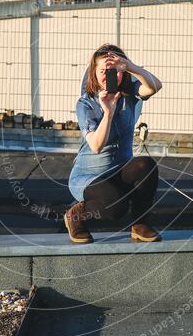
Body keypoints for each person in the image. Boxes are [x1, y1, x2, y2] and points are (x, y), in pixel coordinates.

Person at [65, 44, 164, 244]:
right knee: (115, 209)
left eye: (115, 71)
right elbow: (96, 146)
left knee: (146, 165)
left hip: (120, 170)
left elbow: (155, 86)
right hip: (89, 178)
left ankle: (140, 224)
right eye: (103, 71)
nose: (109, 76)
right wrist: (108, 113)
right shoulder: (86, 103)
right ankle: (75, 216)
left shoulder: (131, 94)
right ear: (93, 73)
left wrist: (130, 66)